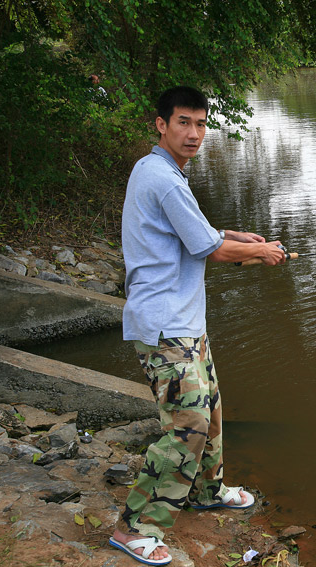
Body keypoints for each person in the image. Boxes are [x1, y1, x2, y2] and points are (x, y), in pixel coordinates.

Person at [108, 86, 287, 566]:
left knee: (211, 411)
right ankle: (135, 527)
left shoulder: (163, 172)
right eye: (183, 122)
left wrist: (234, 233)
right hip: (166, 326)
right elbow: (212, 251)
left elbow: (199, 234)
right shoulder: (164, 178)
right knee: (187, 423)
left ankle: (207, 491)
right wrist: (260, 250)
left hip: (185, 323)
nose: (194, 133)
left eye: (201, 124)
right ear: (161, 124)